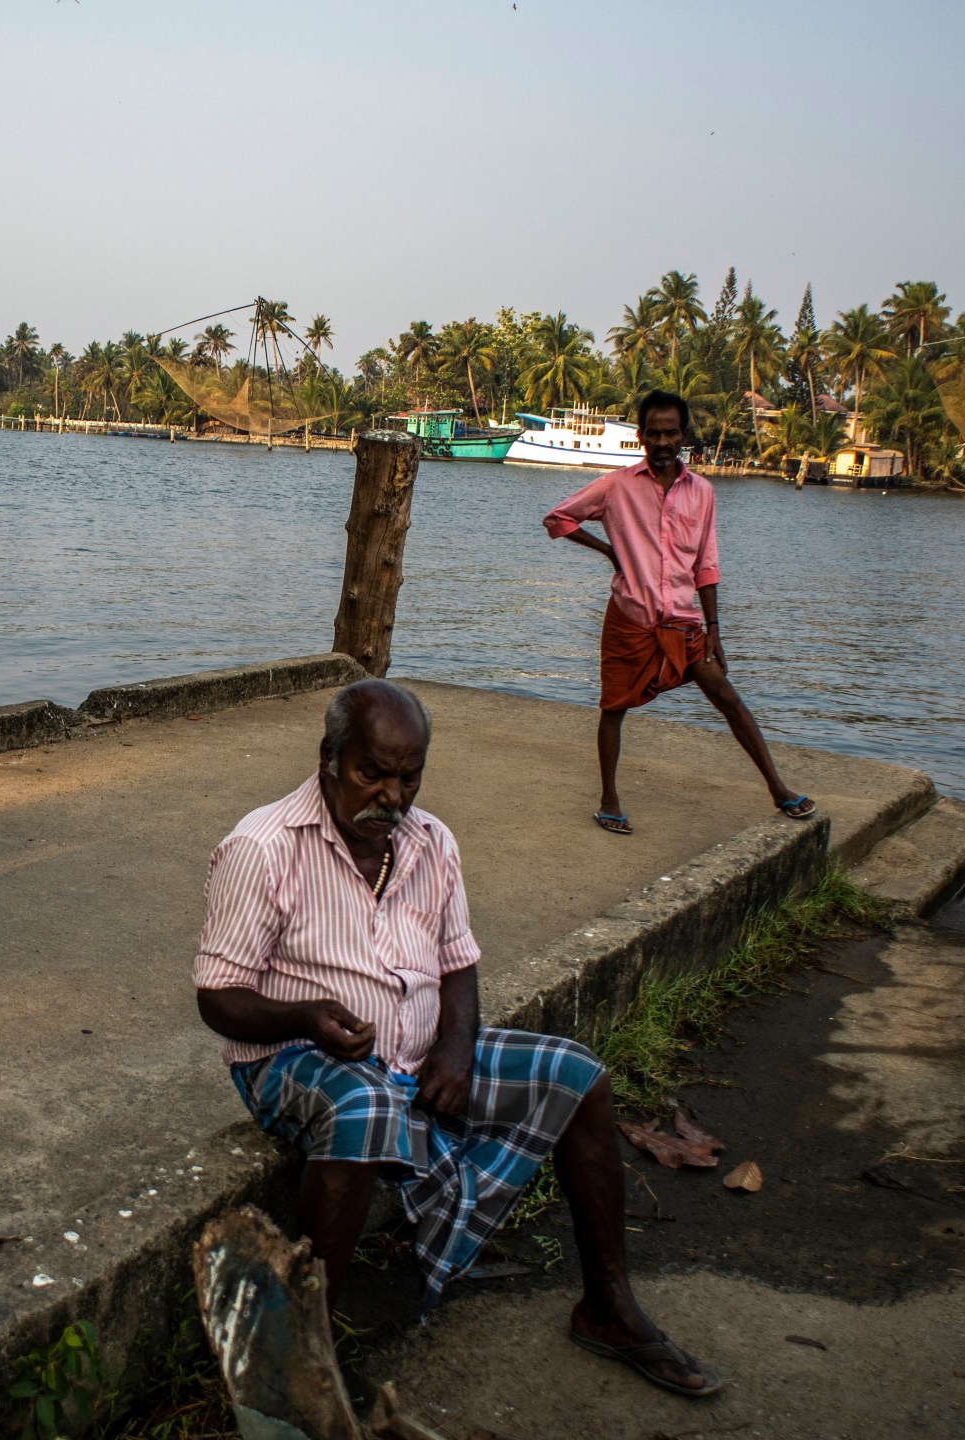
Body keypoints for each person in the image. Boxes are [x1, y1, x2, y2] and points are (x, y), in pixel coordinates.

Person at [193, 679, 721, 1398]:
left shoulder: (432, 843)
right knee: (366, 1110)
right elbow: (218, 998)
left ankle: (607, 1307)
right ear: (329, 758)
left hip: (413, 1056)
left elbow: (459, 964)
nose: (391, 795)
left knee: (579, 1078)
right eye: (370, 773)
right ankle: (304, 1362)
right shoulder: (262, 848)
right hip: (293, 1057)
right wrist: (302, 1016)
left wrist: (455, 1047)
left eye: (408, 778)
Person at [542, 390, 814, 835]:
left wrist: (714, 630)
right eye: (654, 432)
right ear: (641, 436)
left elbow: (706, 565)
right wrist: (610, 551)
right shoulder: (617, 486)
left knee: (726, 696)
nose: (663, 440)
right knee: (614, 707)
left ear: (684, 435)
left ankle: (779, 789)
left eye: (671, 432)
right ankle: (609, 800)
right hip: (630, 619)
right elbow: (558, 519)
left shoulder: (702, 492)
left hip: (684, 624)